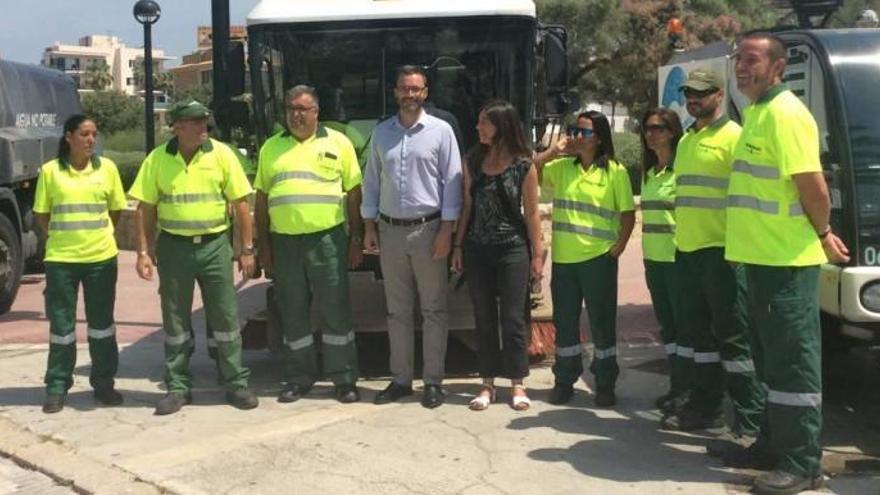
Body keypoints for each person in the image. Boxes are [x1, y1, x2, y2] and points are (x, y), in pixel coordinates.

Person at [723, 33, 849, 495]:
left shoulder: (786, 114)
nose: (741, 67)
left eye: (752, 60)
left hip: (786, 262)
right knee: (770, 360)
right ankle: (772, 445)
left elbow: (812, 185)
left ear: (778, 68)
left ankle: (802, 462)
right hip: (759, 260)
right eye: (738, 59)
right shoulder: (756, 113)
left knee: (794, 363)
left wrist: (822, 233)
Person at [129, 99, 259, 415]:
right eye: (196, 122)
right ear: (178, 127)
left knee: (225, 316)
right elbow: (145, 208)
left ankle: (235, 383)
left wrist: (246, 248)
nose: (204, 127)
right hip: (174, 248)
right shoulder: (158, 159)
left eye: (205, 121)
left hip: (215, 246)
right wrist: (143, 252)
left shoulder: (222, 155)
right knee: (175, 319)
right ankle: (177, 386)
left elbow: (241, 204)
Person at [660, 68, 766, 437]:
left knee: (734, 337)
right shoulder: (688, 141)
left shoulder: (735, 138)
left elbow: (749, 198)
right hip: (687, 252)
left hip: (722, 254)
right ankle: (708, 408)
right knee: (700, 338)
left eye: (702, 93)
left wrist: (740, 249)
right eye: (689, 92)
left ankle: (751, 419)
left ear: (719, 95)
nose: (693, 98)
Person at [254, 85, 364, 404]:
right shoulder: (270, 148)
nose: (296, 115)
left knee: (335, 311)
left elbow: (354, 193)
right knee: (292, 312)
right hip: (284, 242)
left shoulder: (339, 143)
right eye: (291, 108)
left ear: (317, 112)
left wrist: (355, 238)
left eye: (303, 109)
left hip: (327, 240)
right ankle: (299, 377)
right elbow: (261, 199)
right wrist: (263, 245)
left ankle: (343, 378)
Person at [362, 65, 462, 409]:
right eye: (404, 89)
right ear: (395, 92)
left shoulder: (441, 131)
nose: (409, 95)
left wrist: (447, 231)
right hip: (389, 231)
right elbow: (372, 181)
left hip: (429, 231)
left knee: (434, 309)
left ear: (426, 93)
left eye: (415, 89)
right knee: (397, 312)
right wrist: (369, 226)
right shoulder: (381, 133)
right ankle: (402, 380)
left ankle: (433, 381)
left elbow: (453, 182)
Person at [534, 111, 635, 406]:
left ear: (600, 138)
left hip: (598, 259)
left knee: (602, 324)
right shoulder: (563, 167)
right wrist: (554, 149)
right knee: (565, 324)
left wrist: (618, 247)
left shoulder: (615, 172)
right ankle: (564, 380)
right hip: (565, 261)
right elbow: (531, 169)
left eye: (585, 132)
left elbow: (627, 215)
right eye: (575, 130)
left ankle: (605, 383)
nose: (578, 136)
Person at [450, 99, 543, 411]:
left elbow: (531, 214)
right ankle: (487, 382)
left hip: (513, 248)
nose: (477, 128)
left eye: (483, 123)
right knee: (483, 317)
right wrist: (458, 246)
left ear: (501, 126)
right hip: (478, 249)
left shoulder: (523, 164)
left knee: (514, 318)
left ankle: (518, 383)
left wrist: (537, 255)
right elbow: (467, 207)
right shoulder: (474, 161)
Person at [35, 115, 127, 414]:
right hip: (62, 261)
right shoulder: (50, 172)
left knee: (102, 326)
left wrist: (97, 237)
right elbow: (41, 215)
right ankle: (58, 387)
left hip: (100, 259)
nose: (91, 140)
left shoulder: (108, 169)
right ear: (68, 137)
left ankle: (103, 384)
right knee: (62, 327)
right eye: (84, 134)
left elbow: (115, 210)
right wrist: (63, 239)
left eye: (94, 135)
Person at [637, 107, 688, 414]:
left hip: (676, 259)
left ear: (672, 132)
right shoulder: (649, 173)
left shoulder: (680, 171)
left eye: (657, 128)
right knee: (668, 329)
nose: (651, 134)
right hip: (653, 260)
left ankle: (689, 389)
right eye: (647, 128)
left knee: (685, 330)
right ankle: (677, 386)